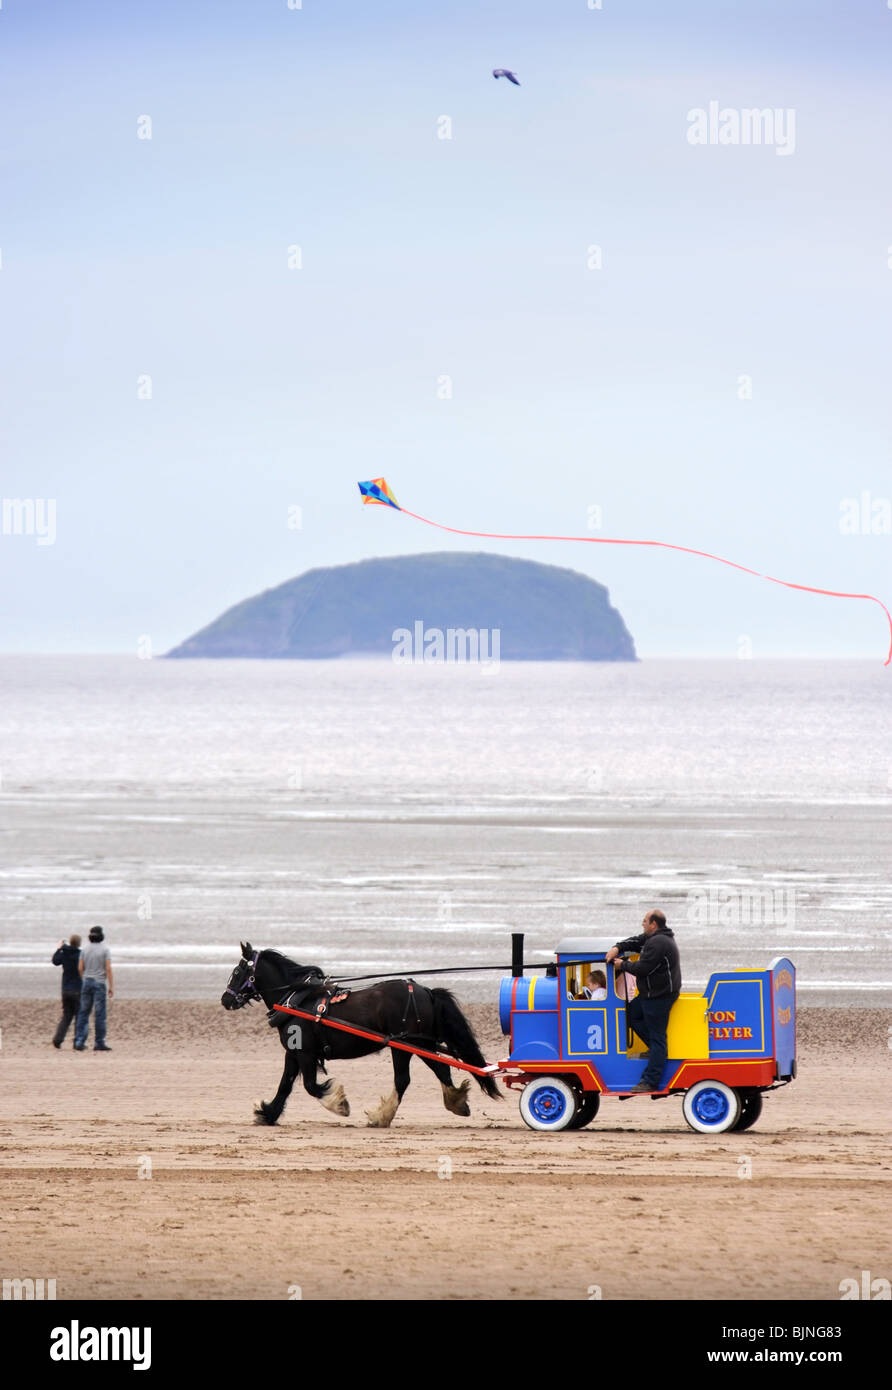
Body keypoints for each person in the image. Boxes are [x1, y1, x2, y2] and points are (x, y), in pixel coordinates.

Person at [606, 909, 680, 1093]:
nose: (642, 923)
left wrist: (622, 965)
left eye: (645, 921)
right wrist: (618, 947)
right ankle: (657, 1053)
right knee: (632, 1015)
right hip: (650, 993)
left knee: (658, 1038)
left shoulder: (659, 943)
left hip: (659, 995)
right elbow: (637, 940)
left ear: (654, 924)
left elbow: (643, 968)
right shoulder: (654, 938)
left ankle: (650, 1080)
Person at [74, 925, 114, 1051]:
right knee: (100, 1014)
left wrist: (84, 978)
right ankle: (99, 1042)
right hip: (99, 982)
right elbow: (107, 968)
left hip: (86, 981)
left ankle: (79, 1040)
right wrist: (111, 986)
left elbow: (80, 968)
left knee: (84, 1012)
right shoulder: (105, 950)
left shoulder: (84, 949)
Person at [51, 934, 82, 1048]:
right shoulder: (79, 955)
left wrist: (59, 949)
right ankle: (77, 1041)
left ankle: (58, 1039)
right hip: (77, 988)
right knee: (79, 1015)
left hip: (66, 989)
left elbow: (55, 961)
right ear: (79, 943)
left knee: (66, 1016)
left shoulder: (65, 953)